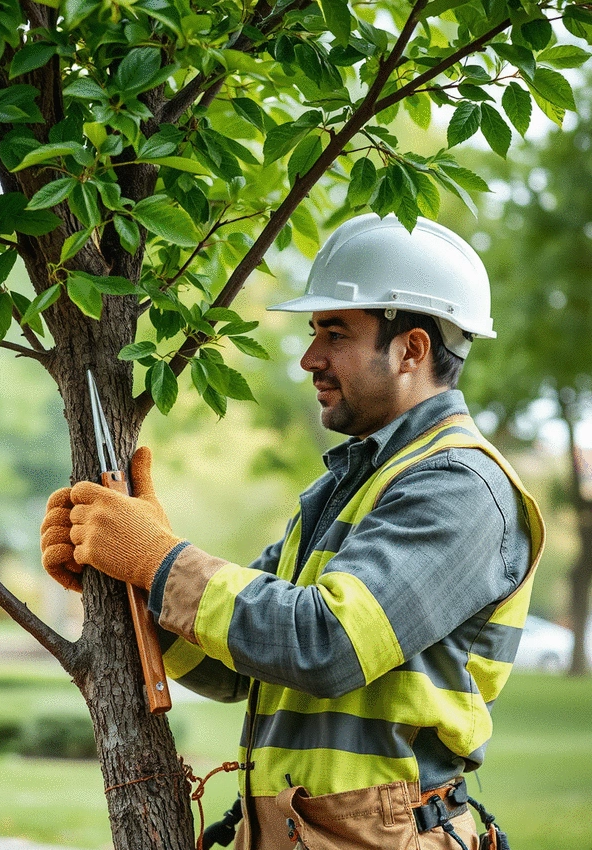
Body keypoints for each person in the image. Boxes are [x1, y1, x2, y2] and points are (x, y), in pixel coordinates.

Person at [40, 214, 545, 850]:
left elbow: (323, 644)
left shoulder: (460, 489)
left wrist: (159, 560)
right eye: (314, 334)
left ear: (412, 350)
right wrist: (131, 584)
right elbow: (241, 669)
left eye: (334, 333)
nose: (310, 358)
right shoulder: (344, 489)